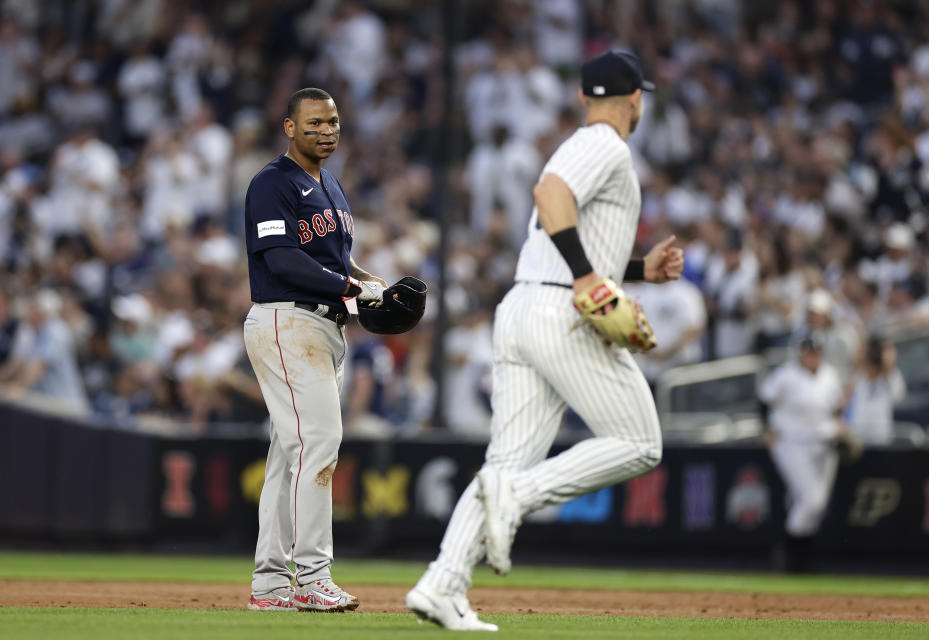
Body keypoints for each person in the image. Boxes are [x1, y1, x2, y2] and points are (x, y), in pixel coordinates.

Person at [406, 50, 684, 631]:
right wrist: (590, 279)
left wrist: (635, 271)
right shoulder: (605, 144)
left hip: (526, 305)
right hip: (562, 309)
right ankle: (523, 492)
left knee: (502, 460)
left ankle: (442, 584)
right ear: (636, 99)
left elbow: (563, 229)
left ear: (585, 96)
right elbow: (550, 197)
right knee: (640, 441)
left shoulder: (581, 144)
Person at [242, 88, 387, 612]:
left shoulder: (331, 187)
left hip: (323, 328)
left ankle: (271, 585)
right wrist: (349, 289)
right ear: (289, 127)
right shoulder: (272, 183)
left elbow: (334, 263)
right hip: (287, 321)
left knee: (290, 456)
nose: (326, 130)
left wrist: (370, 283)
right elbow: (281, 260)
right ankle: (311, 576)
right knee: (319, 443)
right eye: (314, 122)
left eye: (332, 122)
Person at [759, 332, 846, 572]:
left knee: (816, 504)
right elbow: (764, 401)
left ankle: (800, 559)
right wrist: (766, 429)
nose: (812, 355)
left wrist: (840, 425)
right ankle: (789, 551)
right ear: (800, 352)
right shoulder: (786, 375)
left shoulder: (830, 375)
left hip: (825, 443)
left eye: (816, 351)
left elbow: (837, 408)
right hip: (791, 441)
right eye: (808, 351)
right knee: (811, 500)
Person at [846, 336, 906, 446]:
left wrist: (887, 364)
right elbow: (845, 400)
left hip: (880, 436)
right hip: (858, 436)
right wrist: (861, 362)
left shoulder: (892, 375)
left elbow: (898, 396)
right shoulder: (858, 376)